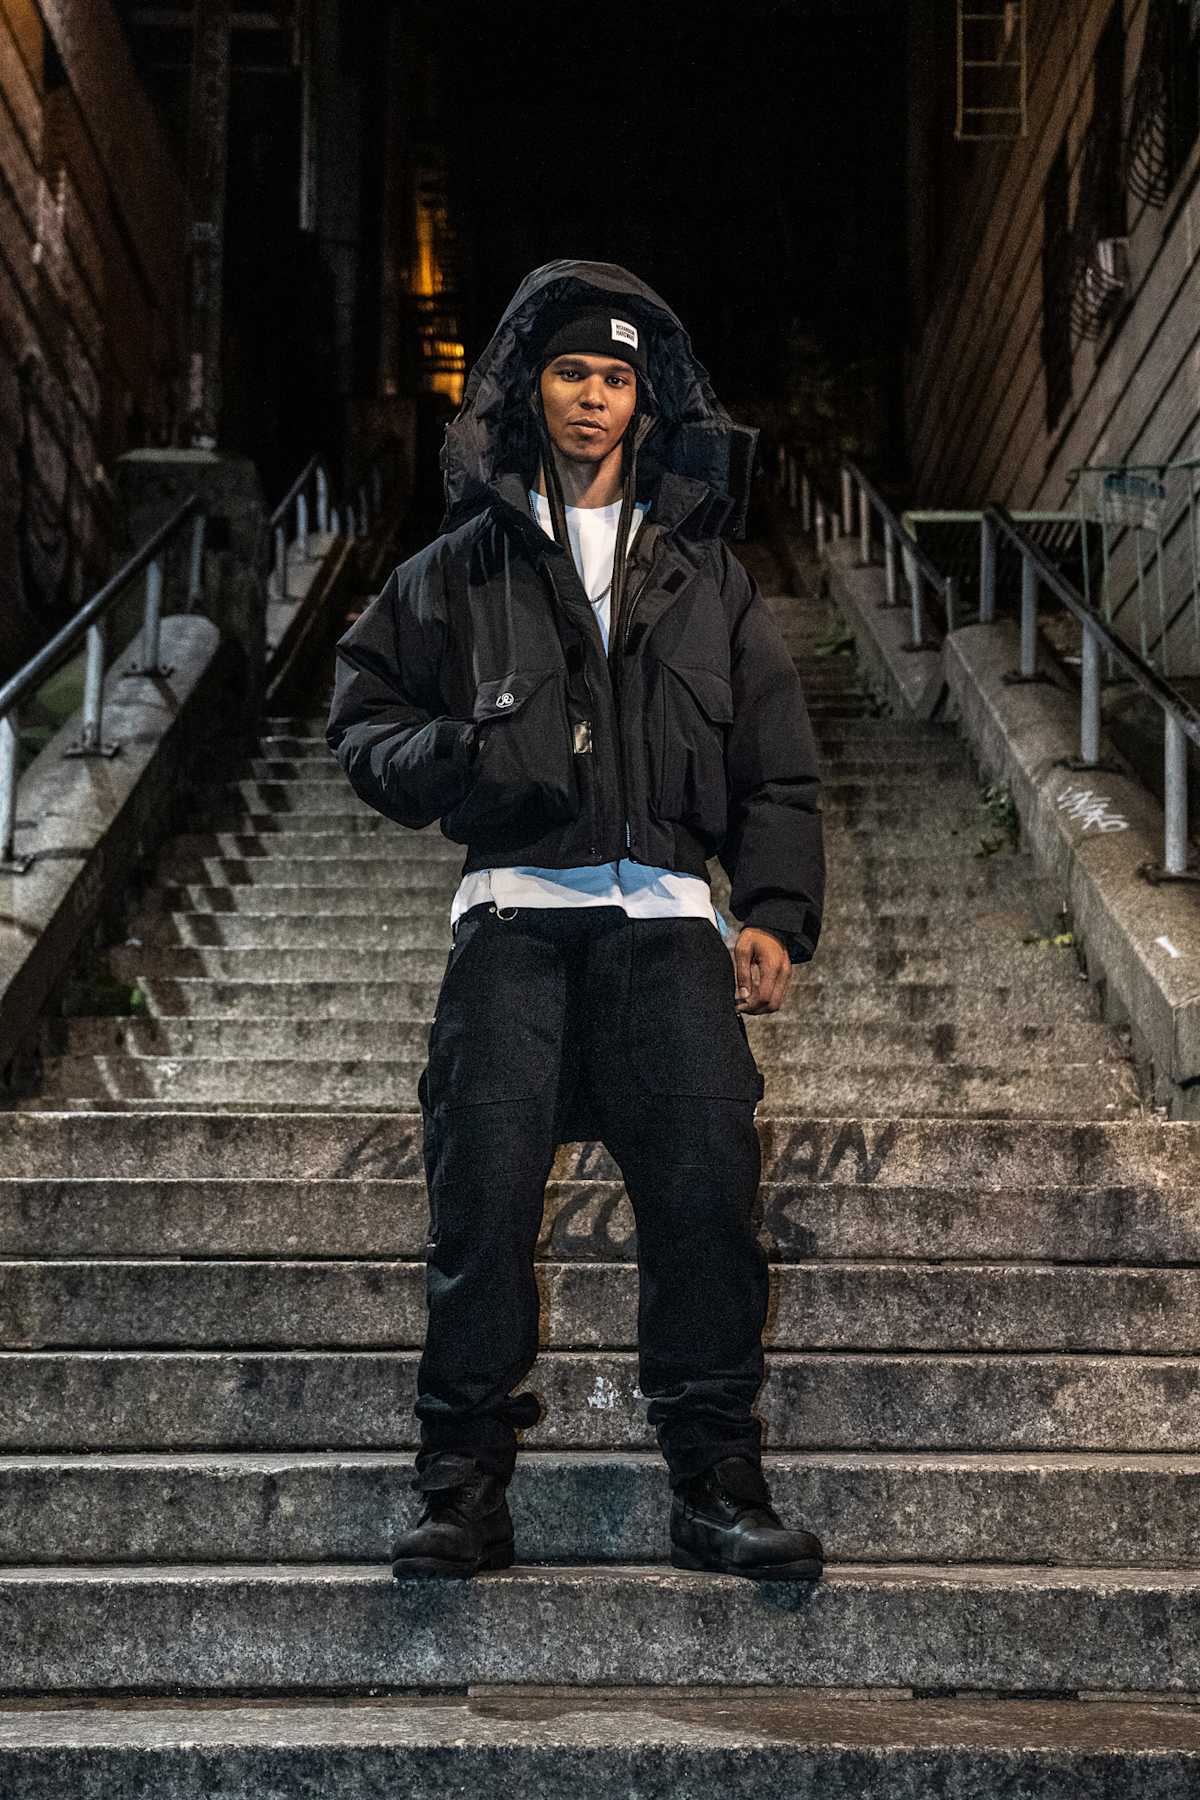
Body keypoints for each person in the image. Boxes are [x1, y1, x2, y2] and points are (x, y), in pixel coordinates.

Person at [326, 258, 825, 1583]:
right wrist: (460, 753)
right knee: (480, 1209)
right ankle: (460, 1490)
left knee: (707, 1204)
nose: (593, 396)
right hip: (514, 926)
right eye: (569, 372)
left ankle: (717, 1484)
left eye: (615, 377)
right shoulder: (459, 568)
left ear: (644, 401)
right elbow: (362, 718)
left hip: (667, 924)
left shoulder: (708, 578)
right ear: (530, 390)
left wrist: (775, 911)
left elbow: (777, 762)